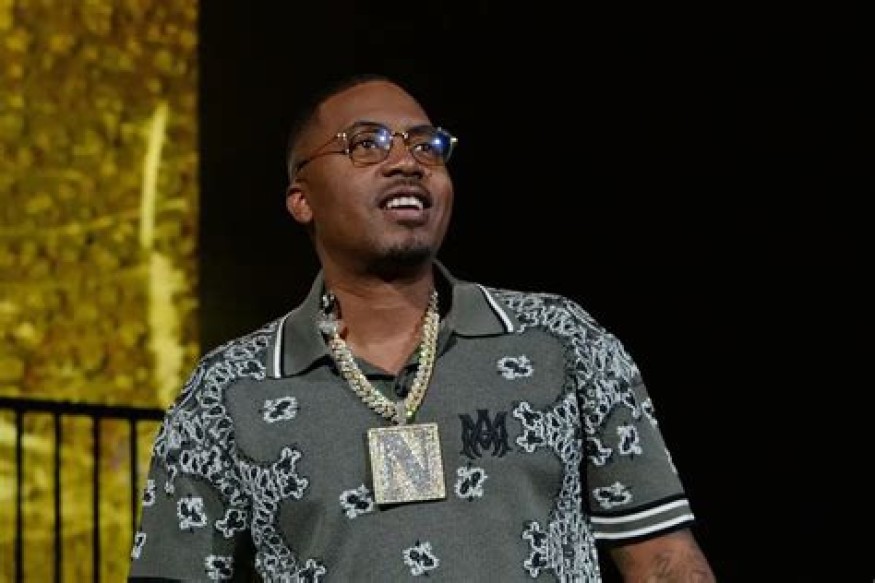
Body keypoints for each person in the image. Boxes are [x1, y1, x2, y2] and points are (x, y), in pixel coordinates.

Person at [128, 72, 715, 582]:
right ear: (302, 199)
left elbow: (663, 561)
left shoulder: (559, 340)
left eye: (427, 146)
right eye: (366, 144)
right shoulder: (229, 391)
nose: (407, 162)